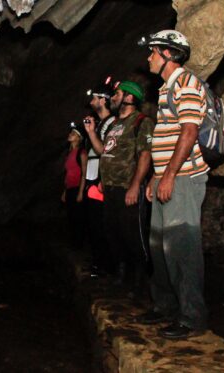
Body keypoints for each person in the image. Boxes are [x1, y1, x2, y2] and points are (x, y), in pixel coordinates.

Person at [136, 30, 209, 339]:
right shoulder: (167, 87)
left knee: (182, 248)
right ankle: (165, 305)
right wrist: (156, 175)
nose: (149, 57)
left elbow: (189, 133)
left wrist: (168, 176)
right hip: (168, 178)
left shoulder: (187, 84)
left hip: (184, 180)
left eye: (153, 52)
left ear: (168, 54)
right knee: (158, 246)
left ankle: (192, 318)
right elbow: (166, 139)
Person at [84, 81, 154, 291]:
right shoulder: (114, 125)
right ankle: (122, 275)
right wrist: (90, 133)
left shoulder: (141, 121)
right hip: (111, 188)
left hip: (128, 188)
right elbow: (103, 150)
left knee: (133, 234)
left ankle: (140, 280)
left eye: (117, 93)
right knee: (114, 233)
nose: (113, 97)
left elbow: (145, 155)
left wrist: (135, 185)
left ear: (129, 98)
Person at [83, 79, 117, 275]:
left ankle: (105, 264)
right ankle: (98, 260)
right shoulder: (100, 124)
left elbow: (105, 151)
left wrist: (91, 133)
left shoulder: (111, 123)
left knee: (101, 224)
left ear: (103, 101)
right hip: (94, 178)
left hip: (102, 180)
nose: (91, 102)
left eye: (95, 98)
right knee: (94, 222)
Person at [61, 123, 88, 250]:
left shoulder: (81, 153)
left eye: (73, 133)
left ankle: (80, 245)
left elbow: (84, 173)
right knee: (71, 217)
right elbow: (68, 174)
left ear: (79, 138)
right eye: (70, 133)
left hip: (78, 188)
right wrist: (65, 191)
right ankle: (74, 244)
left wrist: (81, 192)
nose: (70, 135)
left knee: (78, 218)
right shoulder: (69, 153)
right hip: (70, 188)